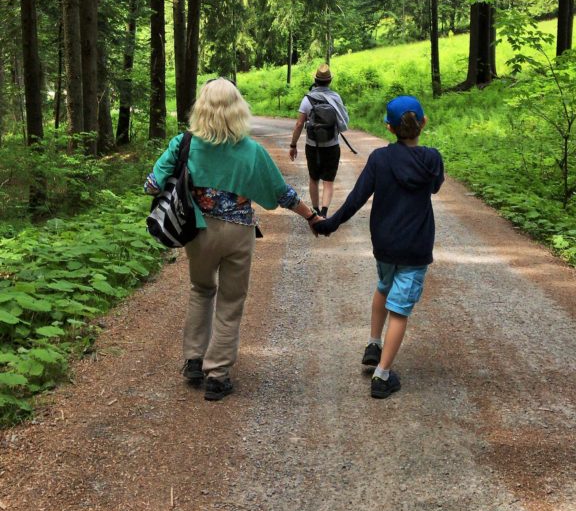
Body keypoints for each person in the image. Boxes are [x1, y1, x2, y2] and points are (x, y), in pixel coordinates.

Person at [145, 78, 319, 401]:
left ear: (202, 108)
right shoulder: (252, 151)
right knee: (230, 300)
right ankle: (217, 374)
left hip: (197, 232)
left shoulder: (183, 143)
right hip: (238, 233)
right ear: (238, 109)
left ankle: (194, 360)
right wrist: (310, 215)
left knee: (201, 289)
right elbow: (283, 194)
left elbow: (152, 185)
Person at [314, 95, 444, 399]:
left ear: (389, 127)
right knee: (399, 309)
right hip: (415, 247)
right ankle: (382, 375)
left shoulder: (379, 159)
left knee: (384, 285)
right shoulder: (432, 159)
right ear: (423, 123)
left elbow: (356, 198)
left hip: (384, 244)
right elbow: (435, 186)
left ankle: (374, 343)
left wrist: (329, 223)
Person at [289, 64, 349, 217]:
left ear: (315, 80)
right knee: (328, 181)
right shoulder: (335, 98)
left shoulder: (307, 99)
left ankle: (315, 211)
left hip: (312, 146)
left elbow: (299, 124)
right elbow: (343, 121)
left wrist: (293, 144)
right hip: (332, 145)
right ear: (329, 81)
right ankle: (324, 212)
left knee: (314, 179)